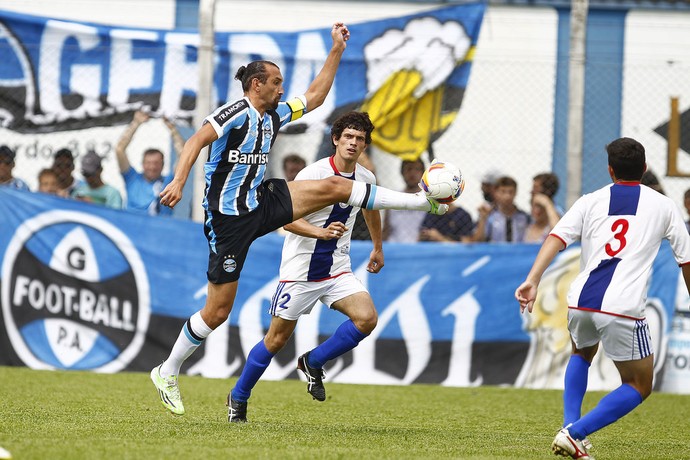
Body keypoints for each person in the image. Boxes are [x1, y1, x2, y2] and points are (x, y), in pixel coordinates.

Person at [150, 22, 448, 418]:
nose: (280, 88)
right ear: (257, 84)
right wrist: (178, 178)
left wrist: (337, 50)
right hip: (228, 221)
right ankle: (168, 370)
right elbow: (195, 140)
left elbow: (315, 96)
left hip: (262, 199)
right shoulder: (235, 112)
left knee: (339, 186)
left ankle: (423, 203)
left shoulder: (273, 116)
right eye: (275, 82)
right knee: (217, 312)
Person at [515, 137, 690, 459]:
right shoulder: (664, 205)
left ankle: (570, 429)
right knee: (639, 385)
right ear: (645, 168)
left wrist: (532, 280)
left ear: (610, 170)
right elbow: (686, 259)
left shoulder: (590, 200)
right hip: (622, 307)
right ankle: (574, 432)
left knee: (581, 353)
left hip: (581, 299)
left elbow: (556, 237)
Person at [227, 111, 381, 422]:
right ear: (335, 140)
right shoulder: (312, 175)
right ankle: (238, 397)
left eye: (359, 139)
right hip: (300, 271)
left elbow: (372, 208)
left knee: (366, 319)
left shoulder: (367, 179)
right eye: (348, 137)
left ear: (364, 145)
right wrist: (319, 232)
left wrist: (377, 246)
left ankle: (313, 361)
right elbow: (284, 218)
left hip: (337, 267)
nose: (353, 143)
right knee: (276, 339)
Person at [115, 110, 184, 216]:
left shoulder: (169, 182)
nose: (152, 167)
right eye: (148, 163)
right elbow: (119, 149)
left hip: (159, 229)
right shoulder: (132, 178)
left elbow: (183, 154)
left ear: (163, 165)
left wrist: (172, 128)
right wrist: (136, 123)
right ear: (142, 164)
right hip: (131, 227)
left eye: (156, 163)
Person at [472, 176, 529, 242]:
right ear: (496, 193)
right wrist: (483, 219)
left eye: (511, 192)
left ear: (516, 193)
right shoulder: (489, 216)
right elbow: (478, 241)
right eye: (503, 192)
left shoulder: (524, 217)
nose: (507, 196)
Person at [383, 158, 428, 243]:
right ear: (402, 172)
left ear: (423, 174)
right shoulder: (393, 198)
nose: (412, 173)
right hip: (394, 246)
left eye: (417, 169)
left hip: (420, 248)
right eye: (409, 169)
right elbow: (386, 229)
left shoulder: (429, 199)